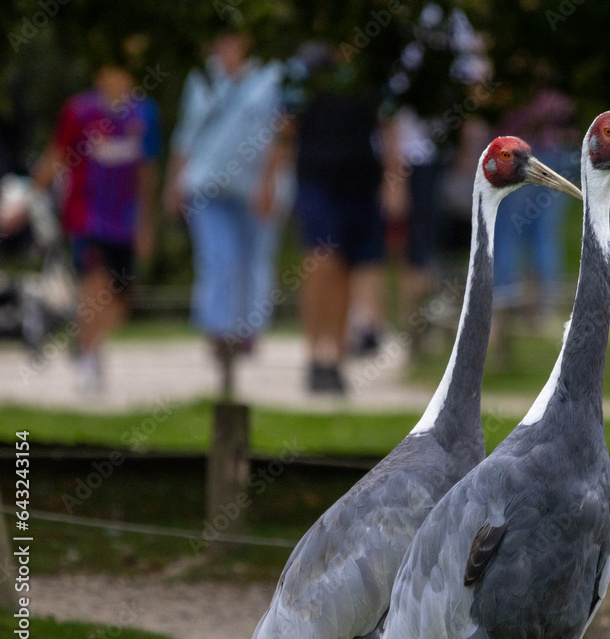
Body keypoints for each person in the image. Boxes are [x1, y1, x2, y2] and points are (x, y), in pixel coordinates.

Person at [32, 55, 160, 391]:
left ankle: (84, 336)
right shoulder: (79, 111)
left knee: (121, 299)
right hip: (86, 217)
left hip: (125, 220)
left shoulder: (143, 115)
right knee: (95, 285)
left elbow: (147, 171)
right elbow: (57, 154)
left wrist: (147, 224)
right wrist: (30, 195)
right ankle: (90, 360)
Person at [264, 42, 386, 393]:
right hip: (317, 180)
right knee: (321, 262)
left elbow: (387, 125)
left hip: (362, 181)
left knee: (347, 268)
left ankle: (334, 356)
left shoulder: (372, 69)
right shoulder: (305, 69)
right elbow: (285, 129)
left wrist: (395, 183)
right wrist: (269, 180)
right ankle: (315, 353)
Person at [164, 29, 287, 363]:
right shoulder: (202, 80)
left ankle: (248, 331)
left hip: (256, 189)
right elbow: (185, 134)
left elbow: (283, 135)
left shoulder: (271, 78)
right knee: (217, 259)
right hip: (207, 185)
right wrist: (173, 183)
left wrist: (269, 183)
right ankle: (218, 331)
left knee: (254, 261)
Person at [493, 87, 578, 318]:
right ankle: (543, 305)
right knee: (542, 233)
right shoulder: (555, 84)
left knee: (508, 229)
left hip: (516, 156)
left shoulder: (511, 83)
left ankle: (506, 302)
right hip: (554, 155)